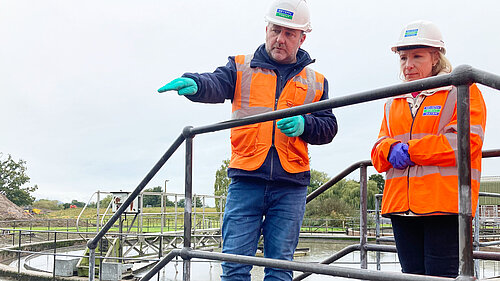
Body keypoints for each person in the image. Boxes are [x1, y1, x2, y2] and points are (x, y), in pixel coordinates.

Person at [157, 0, 338, 280]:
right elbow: (216, 83)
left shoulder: (316, 81)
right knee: (233, 265)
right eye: (276, 30)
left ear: (302, 38)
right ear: (266, 28)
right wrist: (196, 84)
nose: (280, 39)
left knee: (281, 268)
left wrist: (306, 124)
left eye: (289, 34)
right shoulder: (241, 67)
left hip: (290, 185)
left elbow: (329, 127)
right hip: (246, 180)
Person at [371, 20, 487, 277]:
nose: (408, 65)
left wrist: (408, 151)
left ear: (436, 57)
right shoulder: (395, 101)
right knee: (410, 274)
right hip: (402, 207)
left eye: (417, 56)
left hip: (443, 206)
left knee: (440, 275)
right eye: (403, 58)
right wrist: (389, 149)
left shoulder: (461, 90)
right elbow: (378, 150)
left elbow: (464, 143)